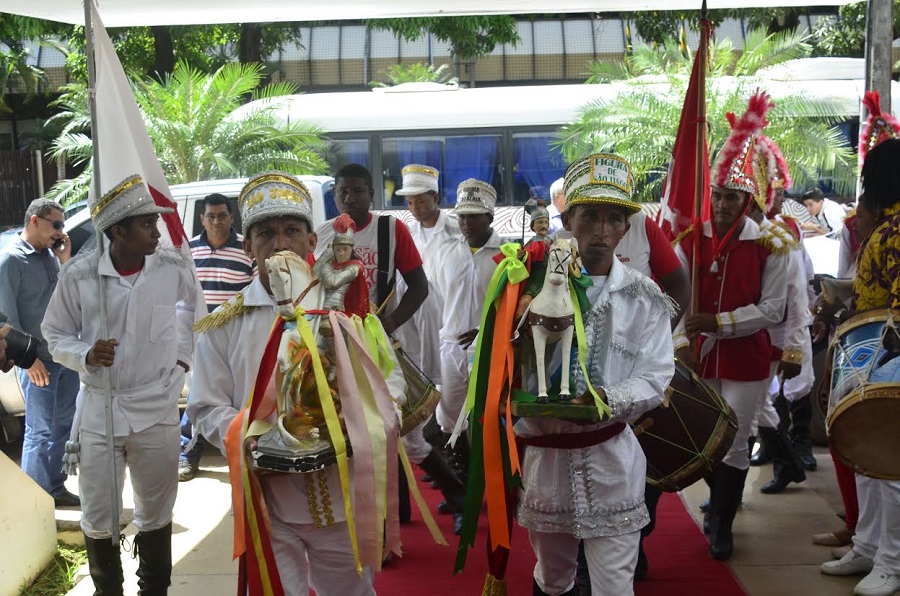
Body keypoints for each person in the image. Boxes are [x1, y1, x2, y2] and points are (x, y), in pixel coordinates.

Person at [188, 172, 397, 595]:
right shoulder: (223, 324)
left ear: (311, 242)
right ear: (247, 246)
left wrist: (360, 422)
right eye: (265, 233)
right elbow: (205, 408)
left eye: (292, 231)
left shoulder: (346, 313)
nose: (280, 242)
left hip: (341, 497)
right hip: (266, 500)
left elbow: (391, 385)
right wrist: (255, 439)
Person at [517, 153, 675, 596]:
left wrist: (604, 398)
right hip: (546, 465)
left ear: (626, 228)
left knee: (614, 587)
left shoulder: (645, 297)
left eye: (613, 219)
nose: (601, 232)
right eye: (590, 217)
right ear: (568, 219)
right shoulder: (526, 285)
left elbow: (657, 375)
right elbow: (493, 366)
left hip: (612, 464)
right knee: (552, 580)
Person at [42, 175, 198, 595]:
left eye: (156, 223)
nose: (156, 231)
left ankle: (154, 590)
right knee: (98, 511)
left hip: (157, 405)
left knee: (157, 509)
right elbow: (54, 334)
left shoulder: (172, 267)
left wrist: (182, 361)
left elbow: (191, 311)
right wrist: (86, 354)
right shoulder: (80, 275)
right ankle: (107, 589)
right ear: (118, 232)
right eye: (147, 224)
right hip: (100, 409)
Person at [673, 91, 788, 561]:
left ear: (748, 199)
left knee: (736, 442)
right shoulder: (689, 239)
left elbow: (773, 309)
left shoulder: (772, 243)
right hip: (699, 357)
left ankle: (722, 523)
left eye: (731, 198)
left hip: (745, 360)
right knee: (702, 440)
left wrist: (717, 322)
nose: (720, 206)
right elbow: (673, 297)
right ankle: (720, 504)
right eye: (716, 196)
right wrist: (682, 337)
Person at [820, 138, 900, 596]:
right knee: (868, 461)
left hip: (889, 357)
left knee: (889, 466)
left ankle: (893, 559)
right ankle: (869, 545)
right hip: (871, 351)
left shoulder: (898, 228)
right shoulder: (884, 227)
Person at [394, 164, 467, 535]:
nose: (415, 207)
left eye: (420, 200)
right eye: (409, 201)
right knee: (425, 416)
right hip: (416, 332)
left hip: (455, 333)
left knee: (452, 415)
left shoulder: (458, 231)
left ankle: (467, 488)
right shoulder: (405, 234)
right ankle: (456, 487)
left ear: (435, 198)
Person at [0, 198, 80, 507]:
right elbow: (7, 321)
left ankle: (55, 489)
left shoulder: (50, 256)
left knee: (62, 427)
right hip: (37, 361)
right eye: (56, 225)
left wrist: (65, 260)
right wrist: (28, 360)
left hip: (64, 356)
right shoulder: (11, 260)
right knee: (40, 430)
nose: (60, 232)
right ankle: (34, 504)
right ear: (35, 221)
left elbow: (66, 300)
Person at [746, 136, 812, 495]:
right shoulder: (744, 236)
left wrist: (794, 348)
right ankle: (788, 465)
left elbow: (798, 297)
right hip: (753, 336)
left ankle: (789, 462)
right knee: (760, 405)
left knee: (759, 404)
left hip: (776, 335)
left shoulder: (780, 237)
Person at [179, 193, 255, 482]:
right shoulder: (191, 250)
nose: (216, 221)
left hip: (234, 338)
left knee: (227, 397)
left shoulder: (245, 249)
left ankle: (237, 451)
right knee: (200, 394)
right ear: (202, 219)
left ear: (231, 217)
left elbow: (255, 290)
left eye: (222, 215)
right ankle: (187, 454)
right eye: (210, 216)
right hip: (198, 337)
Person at [433, 178, 503, 481]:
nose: (465, 222)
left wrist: (486, 329)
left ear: (489, 216)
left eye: (473, 215)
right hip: (450, 346)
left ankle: (495, 480)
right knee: (450, 416)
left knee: (488, 415)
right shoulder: (445, 253)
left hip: (489, 347)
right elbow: (435, 296)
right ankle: (464, 484)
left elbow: (512, 306)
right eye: (461, 215)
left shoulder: (506, 255)